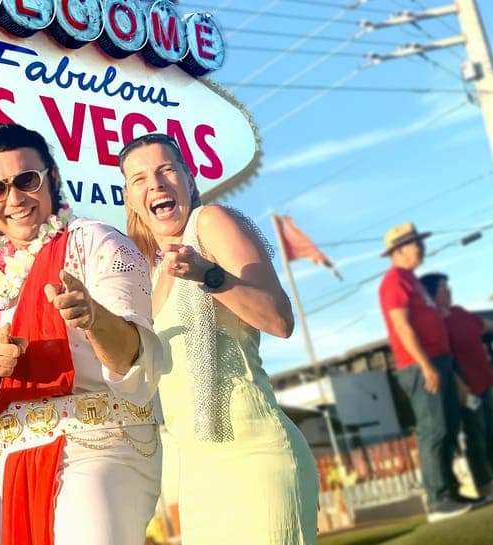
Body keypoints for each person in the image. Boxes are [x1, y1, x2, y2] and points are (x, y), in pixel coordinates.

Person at [0, 123, 162, 545]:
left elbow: (135, 364)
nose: (14, 199)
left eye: (26, 180)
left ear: (52, 177)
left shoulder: (97, 243)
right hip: (11, 470)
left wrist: (94, 318)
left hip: (100, 446)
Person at [119, 133, 318, 544]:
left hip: (255, 456)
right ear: (130, 199)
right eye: (139, 179)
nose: (155, 184)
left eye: (166, 170)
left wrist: (208, 275)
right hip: (197, 477)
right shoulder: (150, 277)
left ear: (189, 180)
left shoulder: (209, 222)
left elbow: (279, 319)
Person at [377, 223, 472, 521]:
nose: (421, 247)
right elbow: (402, 326)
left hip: (437, 361)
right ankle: (437, 500)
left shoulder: (412, 280)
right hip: (419, 365)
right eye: (415, 244)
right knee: (434, 430)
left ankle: (450, 491)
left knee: (448, 427)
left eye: (420, 242)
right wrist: (426, 365)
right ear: (398, 251)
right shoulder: (394, 282)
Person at [418, 272, 493, 501]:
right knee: (476, 433)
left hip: (484, 380)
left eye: (447, 286)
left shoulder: (460, 313)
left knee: (490, 429)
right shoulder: (435, 322)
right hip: (464, 386)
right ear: (432, 293)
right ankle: (484, 484)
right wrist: (458, 383)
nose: (448, 291)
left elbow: (483, 325)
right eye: (443, 288)